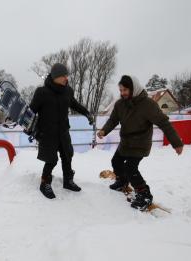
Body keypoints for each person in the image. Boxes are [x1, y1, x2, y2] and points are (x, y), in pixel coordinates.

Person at [97, 75, 183, 210]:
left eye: (125, 90)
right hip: (126, 142)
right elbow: (113, 120)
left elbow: (163, 122)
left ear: (134, 89)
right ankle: (122, 181)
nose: (122, 93)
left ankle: (145, 195)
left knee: (131, 168)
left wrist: (176, 143)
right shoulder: (120, 104)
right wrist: (104, 131)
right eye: (120, 90)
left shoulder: (147, 105)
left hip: (140, 143)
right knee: (116, 162)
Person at [30, 63, 94, 199]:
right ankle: (44, 183)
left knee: (67, 155)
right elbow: (31, 111)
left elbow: (75, 105)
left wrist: (87, 113)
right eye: (63, 76)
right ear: (55, 77)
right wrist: (14, 118)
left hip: (63, 131)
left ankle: (68, 181)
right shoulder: (42, 92)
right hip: (47, 133)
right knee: (51, 160)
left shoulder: (67, 91)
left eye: (67, 75)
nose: (66, 78)